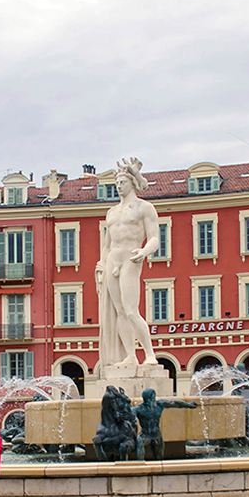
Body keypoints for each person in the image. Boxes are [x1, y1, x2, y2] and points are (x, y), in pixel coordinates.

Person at [95, 157, 160, 369]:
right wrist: (102, 266)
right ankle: (131, 355)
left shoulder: (144, 208)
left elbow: (154, 238)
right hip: (113, 259)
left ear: (132, 183)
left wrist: (144, 251)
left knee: (131, 310)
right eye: (117, 183)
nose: (118, 186)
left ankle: (149, 354)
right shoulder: (111, 213)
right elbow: (107, 244)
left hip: (131, 257)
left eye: (122, 182)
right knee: (120, 311)